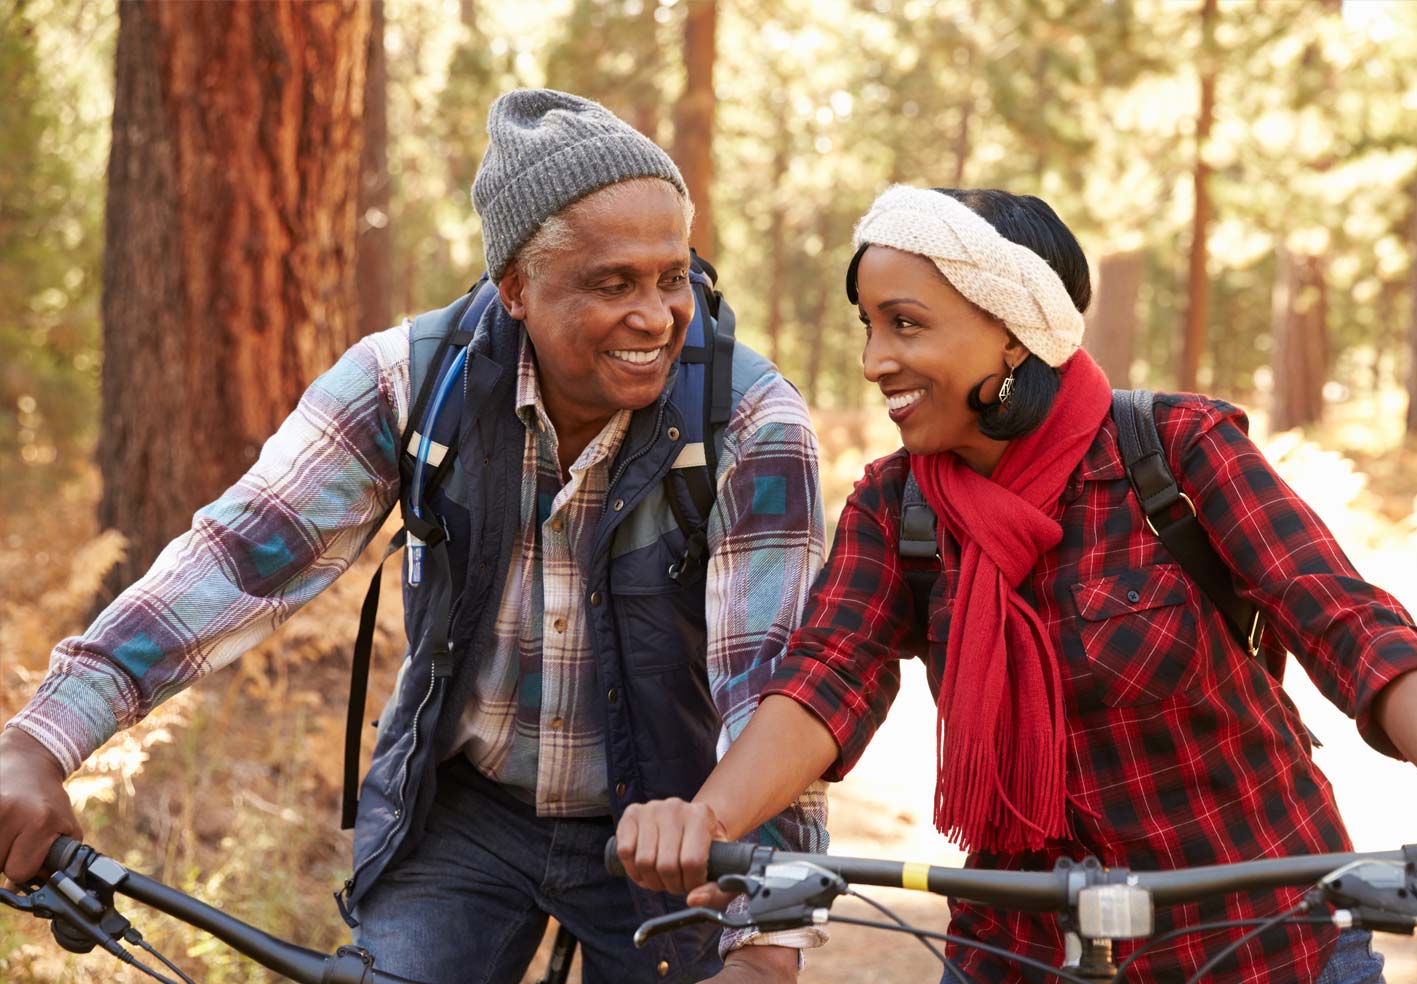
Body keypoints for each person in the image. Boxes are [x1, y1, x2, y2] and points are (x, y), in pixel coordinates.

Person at [0, 89, 827, 984]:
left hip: (682, 821)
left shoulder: (750, 421)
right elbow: (239, 559)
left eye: (672, 276)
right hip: (464, 810)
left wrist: (766, 939)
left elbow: (776, 681)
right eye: (612, 283)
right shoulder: (407, 381)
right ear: (514, 287)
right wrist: (39, 743)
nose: (660, 316)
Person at [616, 185, 1417, 983]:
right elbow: (825, 676)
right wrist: (711, 820)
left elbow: (1344, 619)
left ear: (1012, 329)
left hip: (1264, 944)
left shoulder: (1177, 452)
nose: (874, 360)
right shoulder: (895, 508)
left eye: (907, 324)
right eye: (869, 326)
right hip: (1016, 957)